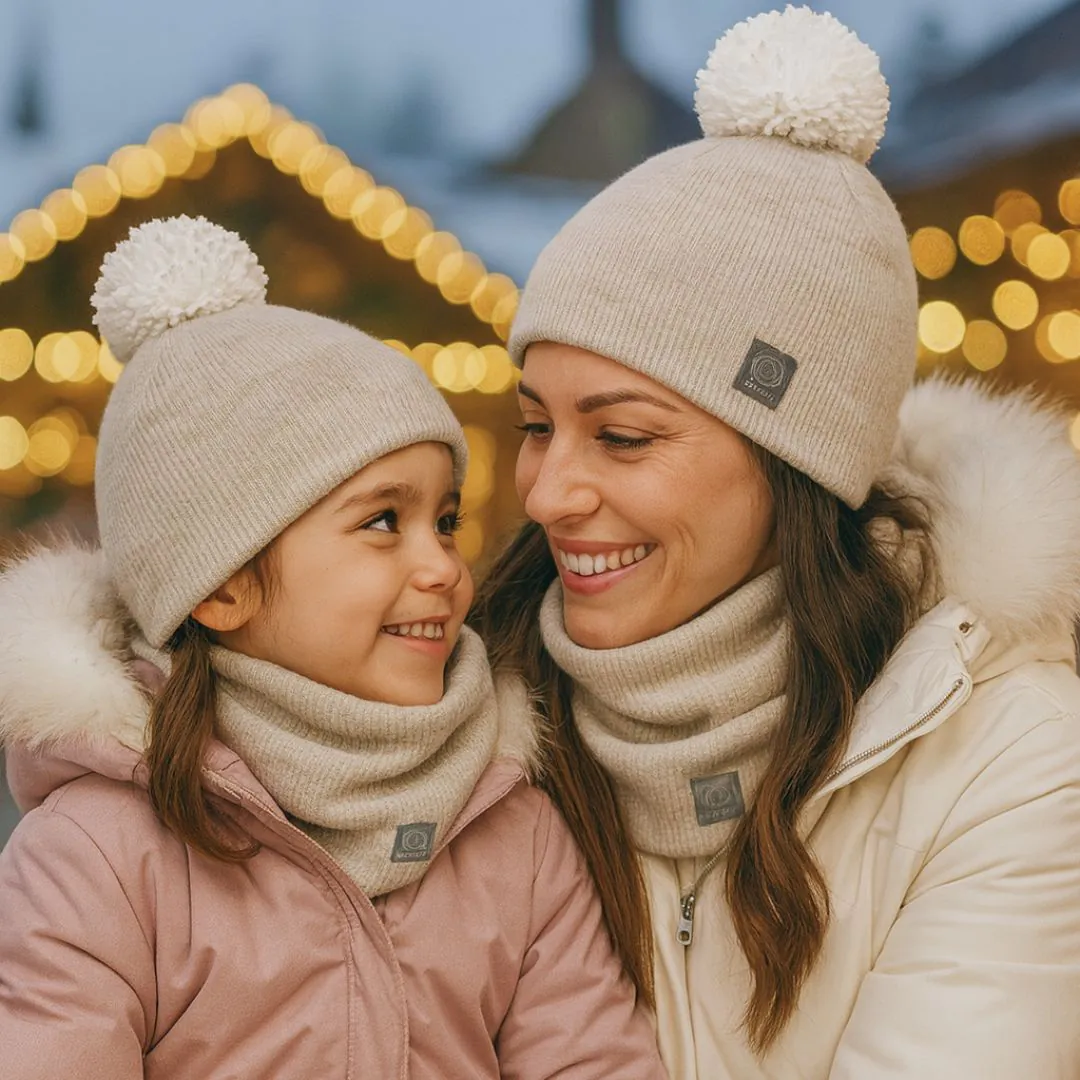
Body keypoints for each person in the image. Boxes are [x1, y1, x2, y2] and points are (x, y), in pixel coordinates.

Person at [469, 7, 1080, 1078]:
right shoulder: (469, 732)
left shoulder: (1011, 762)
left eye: (620, 435)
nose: (550, 490)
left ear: (793, 464)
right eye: (535, 425)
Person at [0, 217, 667, 1079]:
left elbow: (592, 1060)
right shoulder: (100, 855)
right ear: (222, 584)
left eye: (447, 520)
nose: (444, 567)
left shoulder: (513, 830)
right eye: (383, 522)